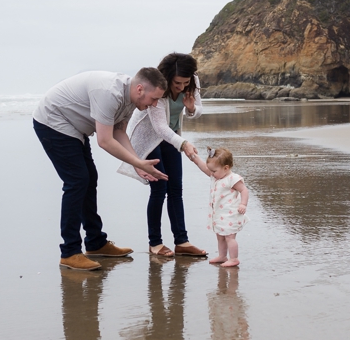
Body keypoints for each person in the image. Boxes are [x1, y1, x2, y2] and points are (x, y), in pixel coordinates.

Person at [30, 69, 171, 272]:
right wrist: (138, 164)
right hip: (53, 121)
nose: (155, 104)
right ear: (140, 89)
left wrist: (137, 163)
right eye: (154, 98)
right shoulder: (110, 93)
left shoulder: (132, 99)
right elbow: (105, 141)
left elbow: (119, 131)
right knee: (77, 181)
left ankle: (96, 243)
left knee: (89, 178)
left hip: (74, 127)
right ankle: (69, 252)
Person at [126, 54, 210, 261]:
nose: (182, 87)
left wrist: (190, 108)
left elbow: (197, 111)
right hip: (149, 138)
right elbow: (159, 127)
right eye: (177, 83)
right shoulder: (160, 88)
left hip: (172, 137)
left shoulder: (192, 82)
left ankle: (182, 242)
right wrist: (184, 144)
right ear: (168, 78)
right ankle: (155, 243)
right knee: (159, 188)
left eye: (185, 82)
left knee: (176, 188)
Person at [202, 149, 250, 269]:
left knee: (230, 237)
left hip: (231, 214)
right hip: (219, 214)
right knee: (220, 236)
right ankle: (222, 256)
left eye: (214, 171)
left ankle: (233, 258)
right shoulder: (217, 177)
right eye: (211, 171)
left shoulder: (232, 179)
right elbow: (204, 168)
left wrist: (243, 204)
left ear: (226, 168)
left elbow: (244, 190)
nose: (211, 173)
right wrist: (194, 158)